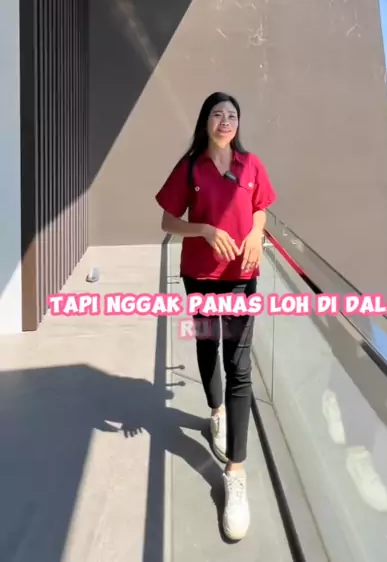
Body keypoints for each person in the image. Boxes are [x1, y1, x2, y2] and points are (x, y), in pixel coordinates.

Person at [155, 92, 276, 541]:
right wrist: (203, 229)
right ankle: (216, 411)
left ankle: (235, 473)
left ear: (238, 123)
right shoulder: (190, 168)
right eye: (217, 114)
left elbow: (261, 207)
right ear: (205, 121)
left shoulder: (251, 164)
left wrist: (257, 233)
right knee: (208, 347)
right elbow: (168, 222)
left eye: (232, 115)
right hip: (200, 278)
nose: (225, 120)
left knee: (239, 367)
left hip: (242, 279)